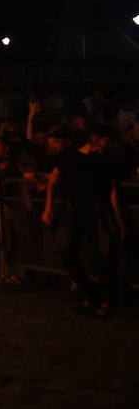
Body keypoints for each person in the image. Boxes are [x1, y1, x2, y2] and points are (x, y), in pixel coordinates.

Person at [44, 127, 125, 318]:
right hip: (79, 210)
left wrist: (118, 220)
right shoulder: (70, 158)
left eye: (55, 142)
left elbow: (110, 189)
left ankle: (103, 301)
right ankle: (93, 295)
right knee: (68, 252)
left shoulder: (101, 161)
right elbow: (55, 179)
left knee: (100, 256)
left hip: (94, 211)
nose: (52, 146)